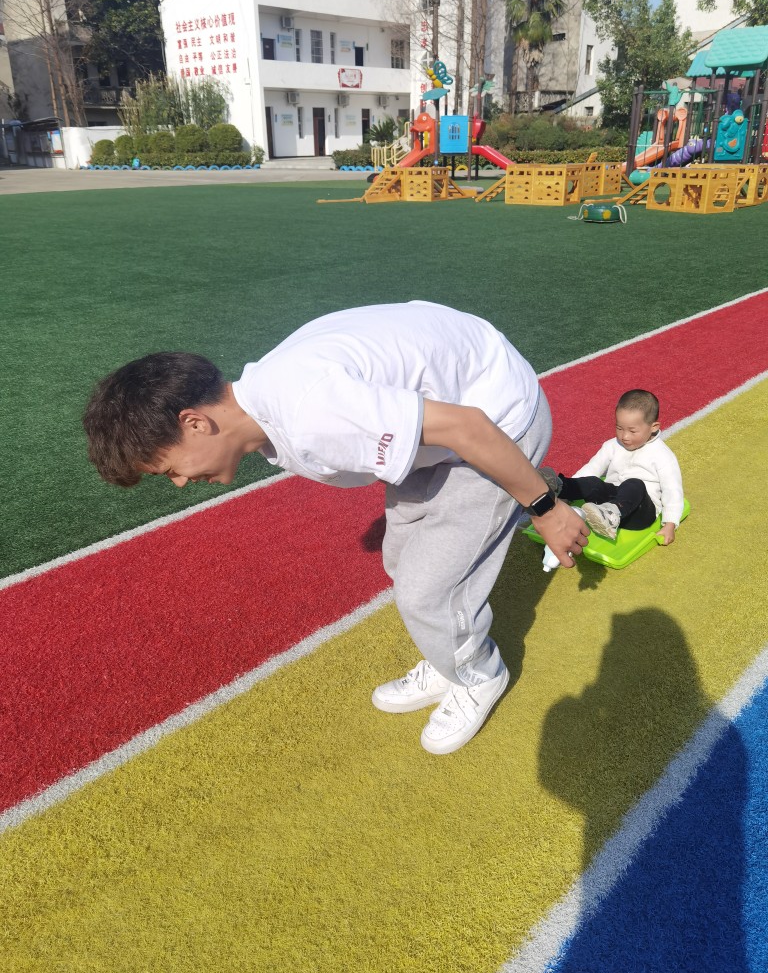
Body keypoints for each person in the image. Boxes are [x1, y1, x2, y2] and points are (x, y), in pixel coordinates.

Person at [83, 301, 588, 755]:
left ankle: (478, 675)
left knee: (429, 590)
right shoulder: (267, 399)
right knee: (401, 559)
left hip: (500, 420)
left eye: (170, 469)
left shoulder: (313, 413)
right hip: (449, 418)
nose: (178, 482)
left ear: (195, 423)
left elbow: (470, 427)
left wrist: (545, 508)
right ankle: (447, 658)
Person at [541, 389, 684, 544]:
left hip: (640, 512)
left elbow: (672, 490)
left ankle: (611, 516)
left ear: (653, 427)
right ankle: (560, 487)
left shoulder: (662, 455)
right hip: (607, 503)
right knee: (593, 482)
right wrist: (570, 493)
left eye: (632, 431)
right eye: (619, 428)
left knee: (634, 484)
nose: (624, 436)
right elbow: (592, 468)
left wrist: (670, 524)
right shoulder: (612, 445)